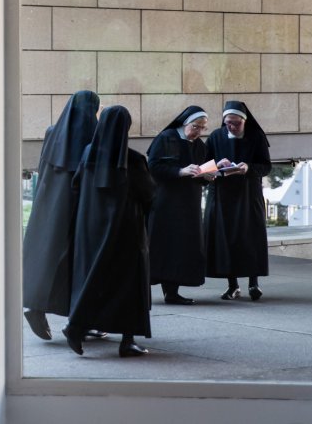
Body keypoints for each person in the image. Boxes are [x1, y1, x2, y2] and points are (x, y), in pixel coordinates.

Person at [63, 105, 157, 357]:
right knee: (130, 284)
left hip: (90, 230)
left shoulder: (87, 154)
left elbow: (75, 187)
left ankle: (78, 325)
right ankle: (127, 341)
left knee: (95, 278)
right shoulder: (134, 160)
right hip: (126, 232)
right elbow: (149, 194)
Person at [22, 90, 101, 341]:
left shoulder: (52, 132)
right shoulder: (93, 135)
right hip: (78, 210)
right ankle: (80, 319)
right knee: (79, 264)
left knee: (49, 263)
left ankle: (39, 309)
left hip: (48, 210)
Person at [203, 100, 272, 301]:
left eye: (235, 123)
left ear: (244, 121)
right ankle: (232, 285)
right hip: (223, 196)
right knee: (227, 240)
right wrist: (217, 164)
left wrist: (248, 168)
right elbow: (204, 165)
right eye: (228, 123)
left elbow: (265, 166)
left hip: (249, 195)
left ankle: (253, 283)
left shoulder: (256, 136)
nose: (231, 127)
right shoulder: (216, 136)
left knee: (251, 238)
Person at [146, 106, 211, 305]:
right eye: (195, 127)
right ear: (185, 123)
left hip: (189, 203)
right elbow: (153, 166)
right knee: (166, 245)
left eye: (202, 128)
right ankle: (159, 289)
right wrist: (180, 171)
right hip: (166, 202)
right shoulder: (167, 137)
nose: (198, 132)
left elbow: (200, 170)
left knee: (182, 247)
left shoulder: (199, 144)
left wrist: (207, 176)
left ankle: (173, 291)